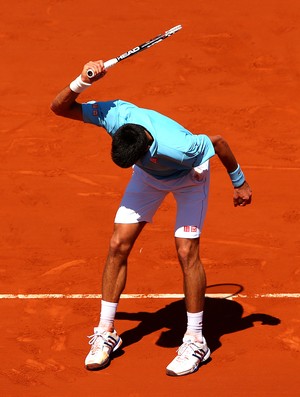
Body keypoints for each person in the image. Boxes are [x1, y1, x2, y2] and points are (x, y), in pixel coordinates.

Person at [51, 59, 252, 376]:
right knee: (118, 244)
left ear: (147, 146)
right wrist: (82, 79)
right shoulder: (115, 115)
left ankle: (197, 341)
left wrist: (239, 182)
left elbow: (219, 143)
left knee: (186, 250)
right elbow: (60, 107)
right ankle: (106, 333)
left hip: (189, 178)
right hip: (148, 178)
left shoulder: (182, 147)